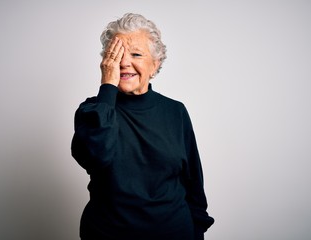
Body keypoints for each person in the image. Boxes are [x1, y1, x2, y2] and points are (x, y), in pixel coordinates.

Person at [71, 13, 214, 240]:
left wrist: (197, 231)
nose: (124, 63)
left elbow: (193, 182)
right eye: (116, 55)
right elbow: (96, 158)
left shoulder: (176, 112)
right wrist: (107, 86)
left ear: (155, 64)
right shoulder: (93, 111)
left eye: (136, 54)